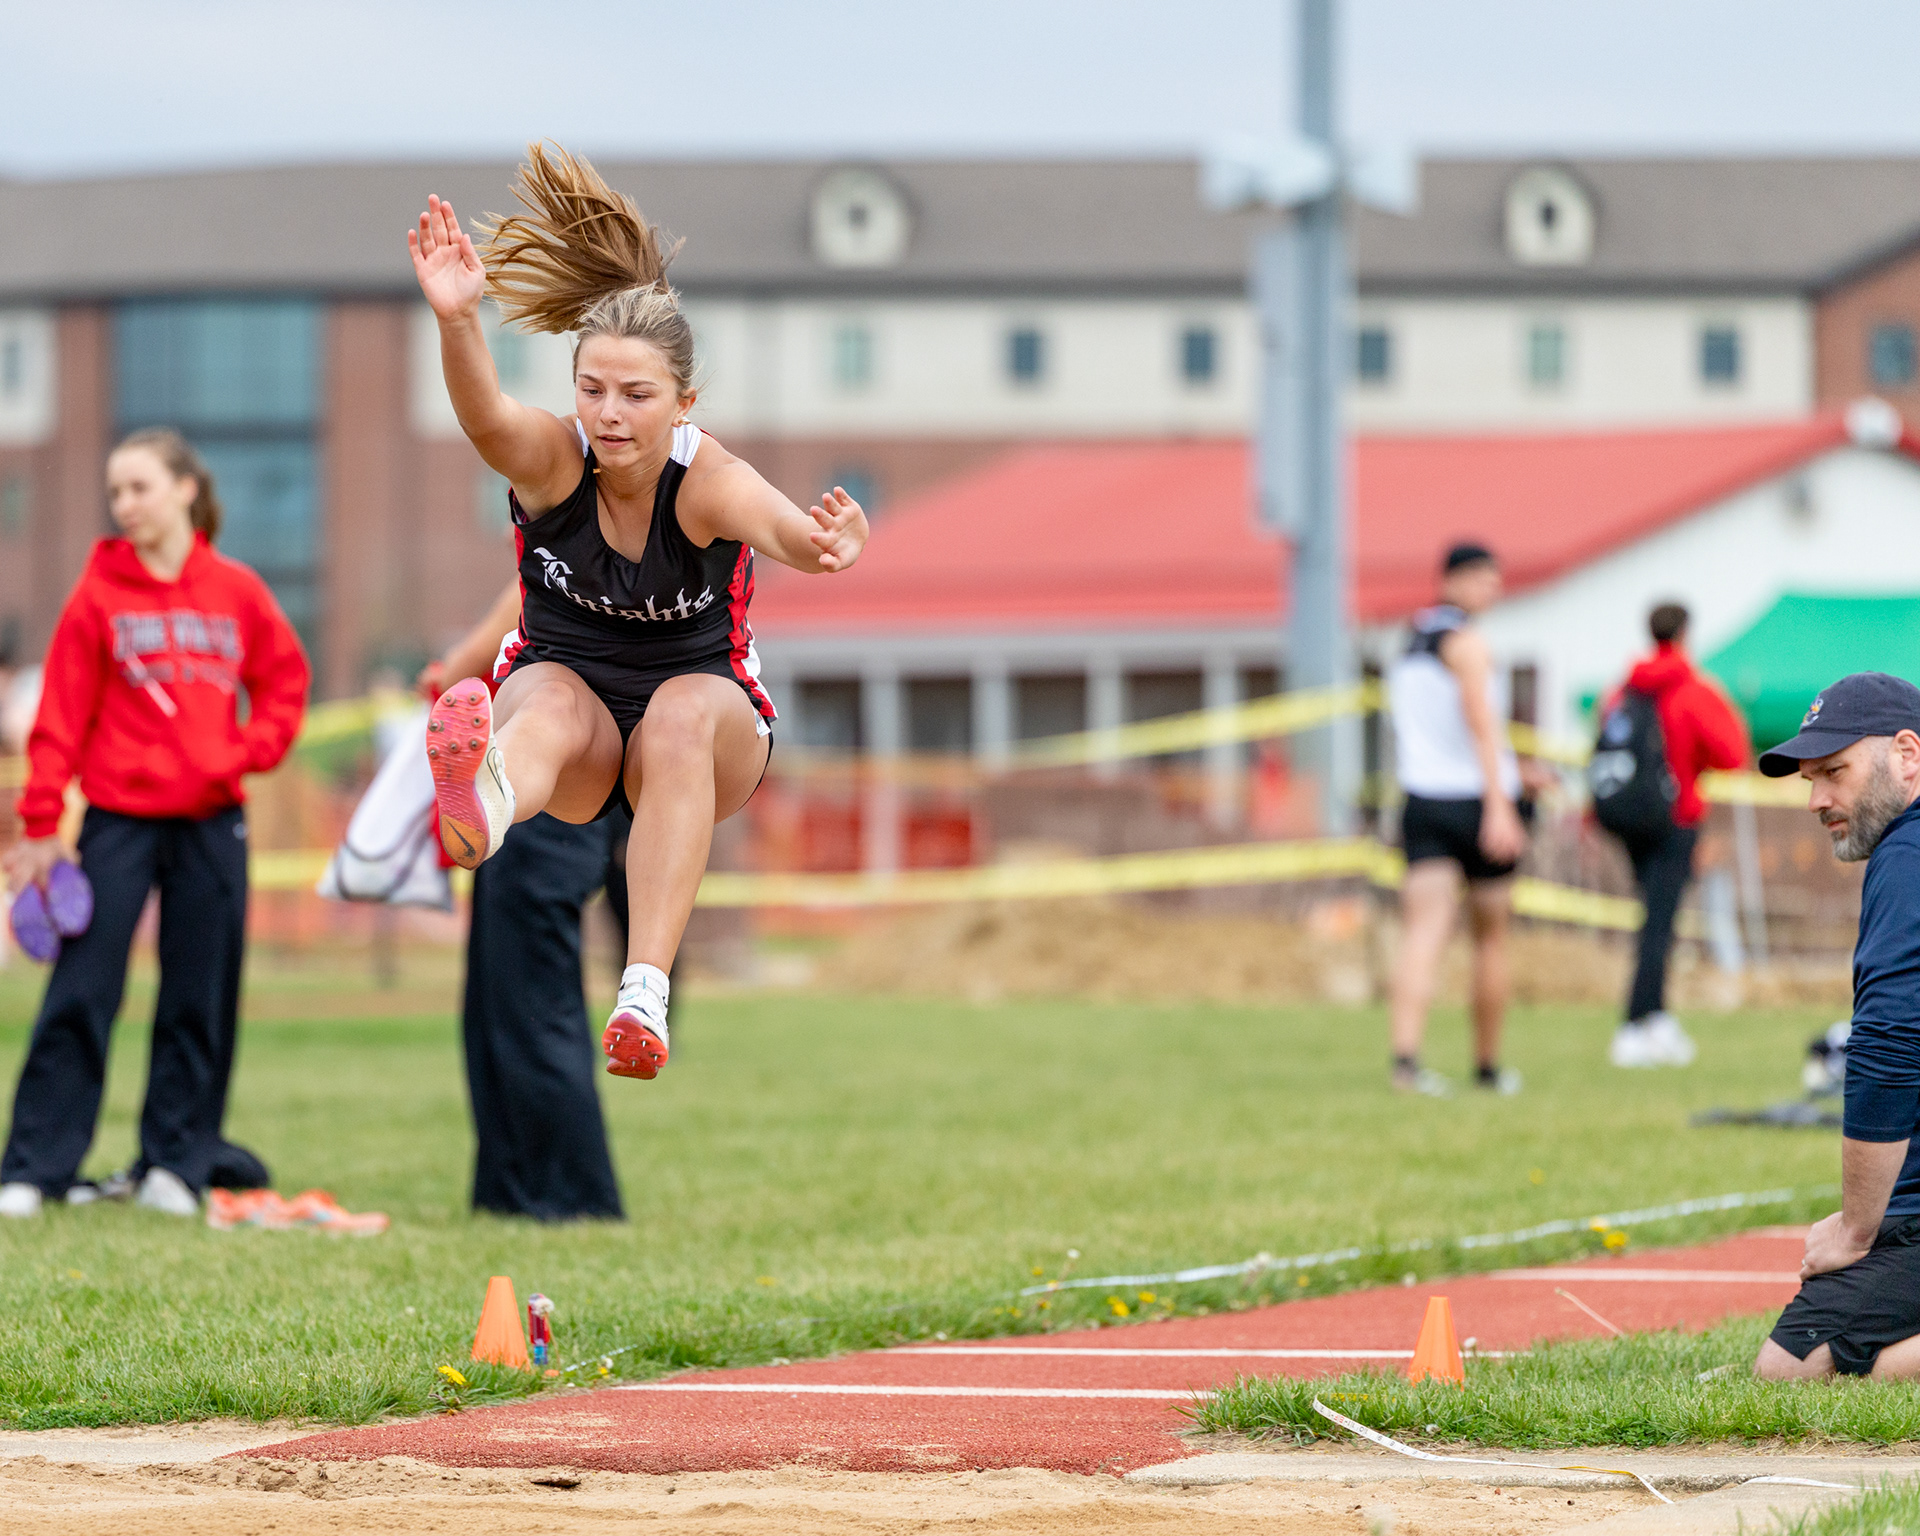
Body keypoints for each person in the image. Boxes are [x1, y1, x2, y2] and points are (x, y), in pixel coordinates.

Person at [408, 144, 866, 1083]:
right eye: (592, 390)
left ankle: (642, 992)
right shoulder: (555, 461)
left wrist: (830, 542)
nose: (609, 414)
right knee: (546, 700)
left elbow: (788, 531)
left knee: (677, 714)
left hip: (704, 728)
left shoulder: (708, 481)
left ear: (684, 402)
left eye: (637, 396)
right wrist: (458, 321)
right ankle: (485, 803)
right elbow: (487, 418)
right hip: (574, 713)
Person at [0, 429, 309, 1219]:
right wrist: (40, 823)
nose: (124, 505)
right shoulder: (97, 594)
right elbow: (59, 719)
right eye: (115, 492)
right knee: (82, 992)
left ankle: (175, 1164)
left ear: (184, 490)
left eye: (138, 487)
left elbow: (285, 683)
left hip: (212, 820)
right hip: (118, 819)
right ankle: (32, 1170)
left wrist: (244, 753)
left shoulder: (238, 590)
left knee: (200, 996)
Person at [419, 582, 625, 1220]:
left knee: (531, 1005)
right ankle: (510, 1189)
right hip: (559, 804)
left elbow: (475, 653)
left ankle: (573, 1196)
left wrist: (444, 677)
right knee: (502, 1005)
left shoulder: (571, 557)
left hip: (547, 808)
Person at [1751, 673, 1920, 1382]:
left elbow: (1890, 1044)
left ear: (1907, 754)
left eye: (1834, 772)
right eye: (1810, 779)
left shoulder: (1907, 855)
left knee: (1790, 1370)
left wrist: (1857, 1229)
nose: (1816, 799)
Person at [1386, 543, 1540, 1097]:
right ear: (1454, 579)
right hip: (1474, 801)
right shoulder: (1468, 642)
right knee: (1490, 939)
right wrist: (1501, 803)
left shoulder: (1410, 642)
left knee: (1422, 934)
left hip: (1423, 799)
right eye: (1483, 579)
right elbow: (1479, 721)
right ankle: (1487, 1066)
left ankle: (1406, 1062)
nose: (1491, 591)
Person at [1596, 603, 1748, 1070]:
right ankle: (1635, 1025)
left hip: (1629, 822)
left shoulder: (1623, 690)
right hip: (1674, 821)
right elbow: (1732, 752)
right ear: (1684, 632)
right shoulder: (1691, 690)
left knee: (1655, 920)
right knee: (1659, 926)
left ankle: (1655, 1018)